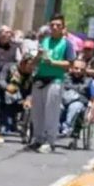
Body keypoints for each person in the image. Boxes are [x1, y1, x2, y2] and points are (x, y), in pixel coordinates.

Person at [30, 15, 75, 153]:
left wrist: (53, 62)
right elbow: (34, 63)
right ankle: (38, 139)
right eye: (52, 25)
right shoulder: (44, 41)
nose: (54, 27)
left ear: (63, 28)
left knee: (51, 112)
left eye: (58, 25)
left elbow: (70, 64)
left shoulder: (67, 44)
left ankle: (50, 141)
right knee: (37, 112)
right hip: (40, 79)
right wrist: (38, 56)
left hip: (55, 80)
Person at [0, 49, 37, 134]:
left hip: (21, 101)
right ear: (23, 63)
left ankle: (25, 129)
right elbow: (1, 80)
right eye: (30, 65)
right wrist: (7, 87)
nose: (32, 67)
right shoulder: (9, 67)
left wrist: (28, 99)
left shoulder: (32, 75)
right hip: (5, 98)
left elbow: (31, 91)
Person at [60, 59, 94, 137]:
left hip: (79, 105)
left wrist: (91, 114)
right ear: (71, 68)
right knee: (58, 106)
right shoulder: (63, 77)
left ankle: (66, 128)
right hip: (63, 101)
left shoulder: (90, 81)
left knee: (75, 106)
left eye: (81, 69)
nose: (78, 71)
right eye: (76, 68)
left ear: (85, 70)